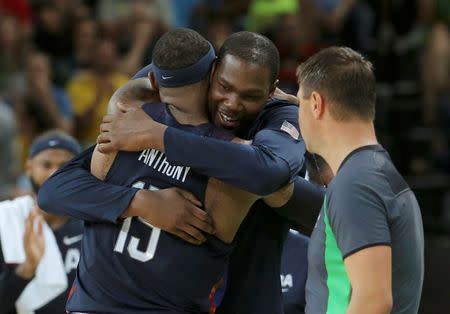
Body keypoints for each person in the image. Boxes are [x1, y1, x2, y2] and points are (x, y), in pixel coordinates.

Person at [39, 31, 324, 313]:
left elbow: (271, 176)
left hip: (246, 290)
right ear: (211, 72)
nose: (232, 103)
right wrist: (141, 203)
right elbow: (56, 190)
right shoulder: (144, 118)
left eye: (250, 95)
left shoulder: (279, 117)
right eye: (224, 87)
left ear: (271, 90)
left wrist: (159, 137)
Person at [296, 46, 424, 313]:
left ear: (316, 104)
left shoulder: (355, 185)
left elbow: (373, 300)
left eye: (299, 103)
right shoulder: (373, 172)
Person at [0, 130, 83, 314]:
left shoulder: (92, 225)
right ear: (29, 168)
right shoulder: (6, 220)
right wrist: (26, 269)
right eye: (46, 165)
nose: (55, 173)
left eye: (64, 165)